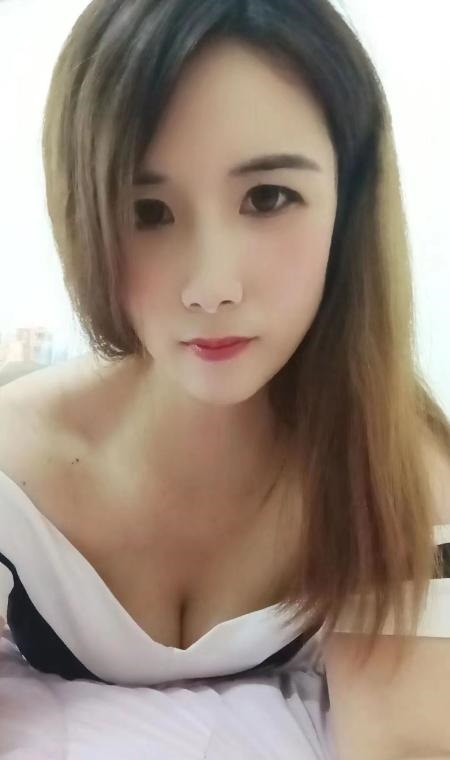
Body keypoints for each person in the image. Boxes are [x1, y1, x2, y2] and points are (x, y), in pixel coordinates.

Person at [0, 0, 449, 756]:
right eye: (148, 210)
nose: (211, 287)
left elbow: (406, 744)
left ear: (349, 202)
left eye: (268, 198)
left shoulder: (400, 474)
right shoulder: (17, 472)